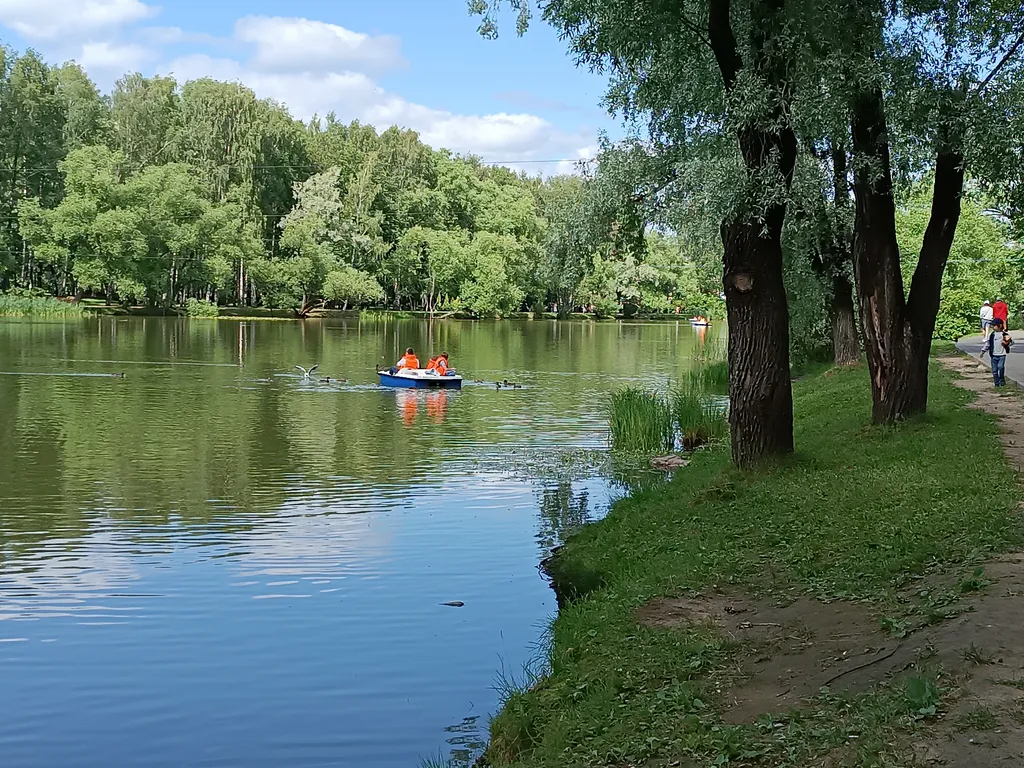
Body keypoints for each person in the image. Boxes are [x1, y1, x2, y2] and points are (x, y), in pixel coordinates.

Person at [983, 318, 1013, 387]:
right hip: (993, 355)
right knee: (994, 370)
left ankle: (1002, 381)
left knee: (1000, 367)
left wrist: (1006, 342)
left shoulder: (1004, 334)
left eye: (994, 325)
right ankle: (996, 383)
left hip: (1002, 355)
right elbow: (988, 344)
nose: (992, 327)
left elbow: (1012, 342)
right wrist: (983, 351)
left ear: (999, 325)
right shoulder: (992, 335)